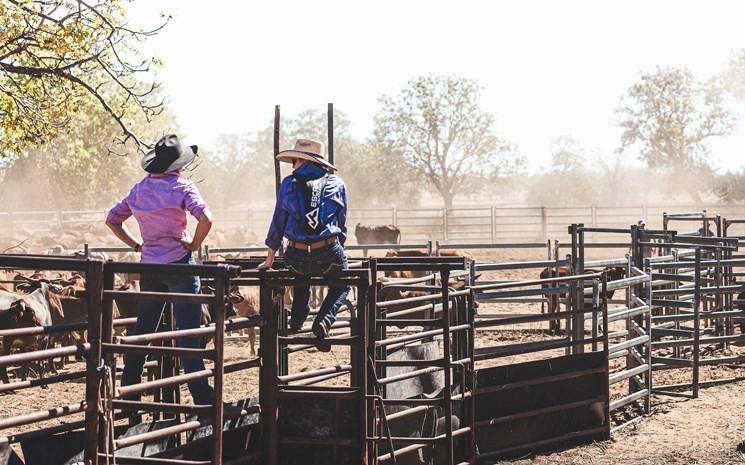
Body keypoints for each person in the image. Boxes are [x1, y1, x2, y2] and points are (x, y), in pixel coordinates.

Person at [105, 134, 215, 407]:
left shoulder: (140, 189)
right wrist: (194, 243)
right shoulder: (182, 186)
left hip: (150, 266)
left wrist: (135, 245)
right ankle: (201, 394)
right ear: (180, 164)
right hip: (179, 264)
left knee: (144, 329)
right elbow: (206, 217)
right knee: (188, 331)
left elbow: (112, 219)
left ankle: (129, 389)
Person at [258, 138, 349, 352]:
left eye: (295, 160)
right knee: (342, 283)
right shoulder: (337, 183)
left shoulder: (288, 184)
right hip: (327, 250)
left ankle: (298, 317)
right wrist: (338, 249)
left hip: (297, 253)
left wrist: (269, 258)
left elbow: (278, 222)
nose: (292, 165)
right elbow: (342, 223)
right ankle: (324, 320)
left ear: (302, 160)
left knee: (300, 276)